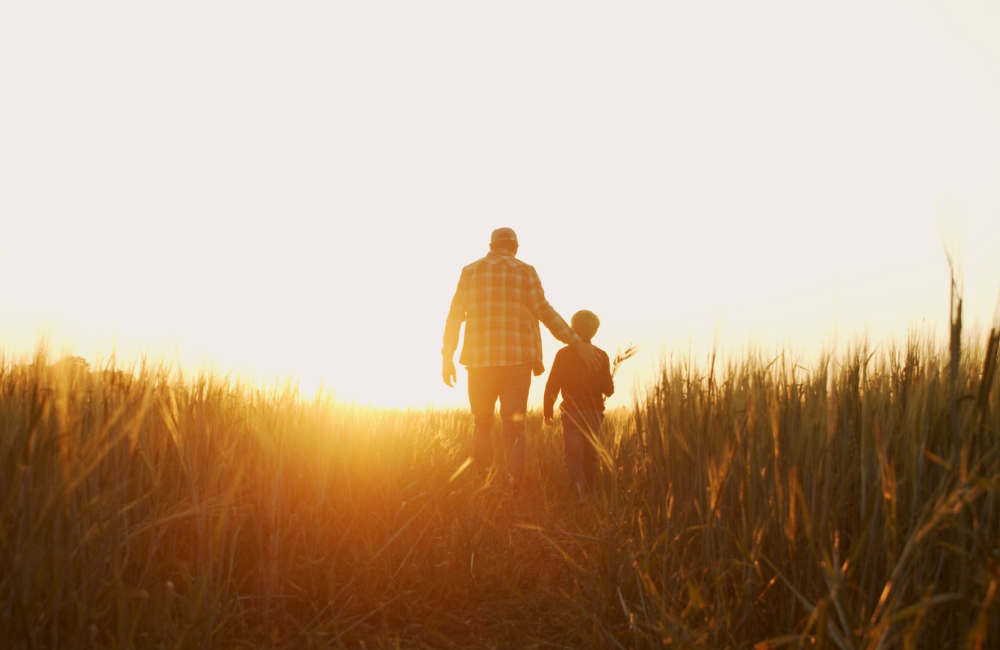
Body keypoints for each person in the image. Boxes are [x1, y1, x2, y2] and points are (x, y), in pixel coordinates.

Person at [442, 228, 600, 488]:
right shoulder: (526, 271)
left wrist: (447, 357)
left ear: (490, 245)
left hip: (479, 362)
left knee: (482, 423)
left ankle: (486, 483)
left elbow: (454, 316)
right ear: (516, 247)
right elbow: (544, 311)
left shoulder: (469, 271)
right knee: (514, 429)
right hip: (517, 363)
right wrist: (576, 341)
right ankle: (513, 487)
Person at [543, 310, 614, 501]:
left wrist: (547, 411)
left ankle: (579, 496)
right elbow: (609, 390)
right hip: (594, 413)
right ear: (595, 331)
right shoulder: (602, 356)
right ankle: (590, 494)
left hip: (571, 414)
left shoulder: (563, 354)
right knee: (591, 455)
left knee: (573, 456)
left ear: (573, 328)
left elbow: (552, 384)